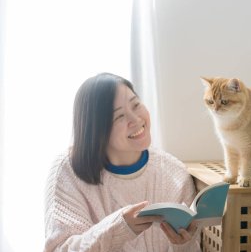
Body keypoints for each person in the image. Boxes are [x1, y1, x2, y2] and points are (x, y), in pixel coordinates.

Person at [44, 73, 201, 252]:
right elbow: (60, 249)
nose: (136, 119)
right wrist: (119, 228)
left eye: (136, 104)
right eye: (119, 117)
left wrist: (183, 244)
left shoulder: (175, 175)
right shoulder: (68, 171)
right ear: (97, 129)